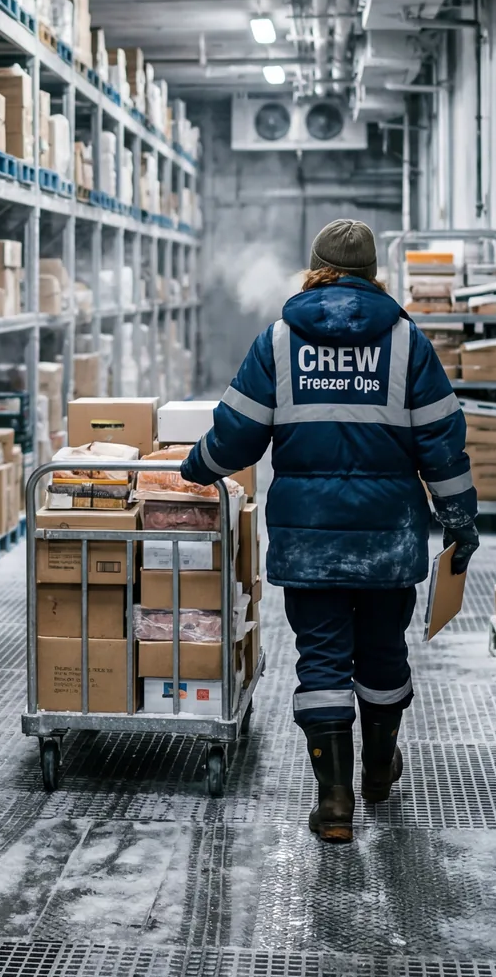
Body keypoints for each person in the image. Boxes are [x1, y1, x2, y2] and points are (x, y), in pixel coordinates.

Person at [180, 219, 479, 843]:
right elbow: (443, 448)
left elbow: (236, 434)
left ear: (313, 268)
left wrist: (194, 467)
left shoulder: (279, 342)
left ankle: (334, 803)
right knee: (383, 652)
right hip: (387, 541)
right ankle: (377, 772)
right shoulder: (407, 344)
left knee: (321, 660)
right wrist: (459, 520)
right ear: (374, 273)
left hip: (308, 538)